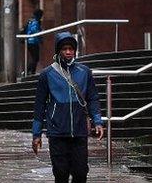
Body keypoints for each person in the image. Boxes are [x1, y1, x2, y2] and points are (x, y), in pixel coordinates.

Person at [31, 31, 104, 183]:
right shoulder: (47, 74)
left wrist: (97, 121)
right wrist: (36, 134)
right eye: (65, 49)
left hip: (79, 132)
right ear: (59, 51)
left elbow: (92, 98)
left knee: (81, 173)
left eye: (71, 49)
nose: (68, 52)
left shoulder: (84, 72)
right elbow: (39, 105)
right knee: (61, 174)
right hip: (57, 133)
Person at [24, 8, 44, 74]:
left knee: (35, 58)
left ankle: (28, 71)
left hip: (30, 41)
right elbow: (34, 30)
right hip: (33, 42)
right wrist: (40, 37)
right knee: (35, 57)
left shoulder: (31, 20)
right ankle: (29, 71)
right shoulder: (35, 21)